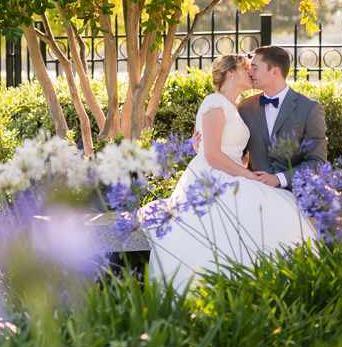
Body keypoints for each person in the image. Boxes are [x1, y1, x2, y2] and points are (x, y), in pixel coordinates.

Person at [137, 51, 322, 288]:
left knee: (272, 217)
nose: (251, 73)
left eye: (254, 67)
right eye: (247, 67)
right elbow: (212, 153)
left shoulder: (238, 106)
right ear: (231, 73)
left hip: (234, 174)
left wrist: (246, 170)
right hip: (215, 178)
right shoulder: (216, 102)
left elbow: (232, 150)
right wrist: (248, 175)